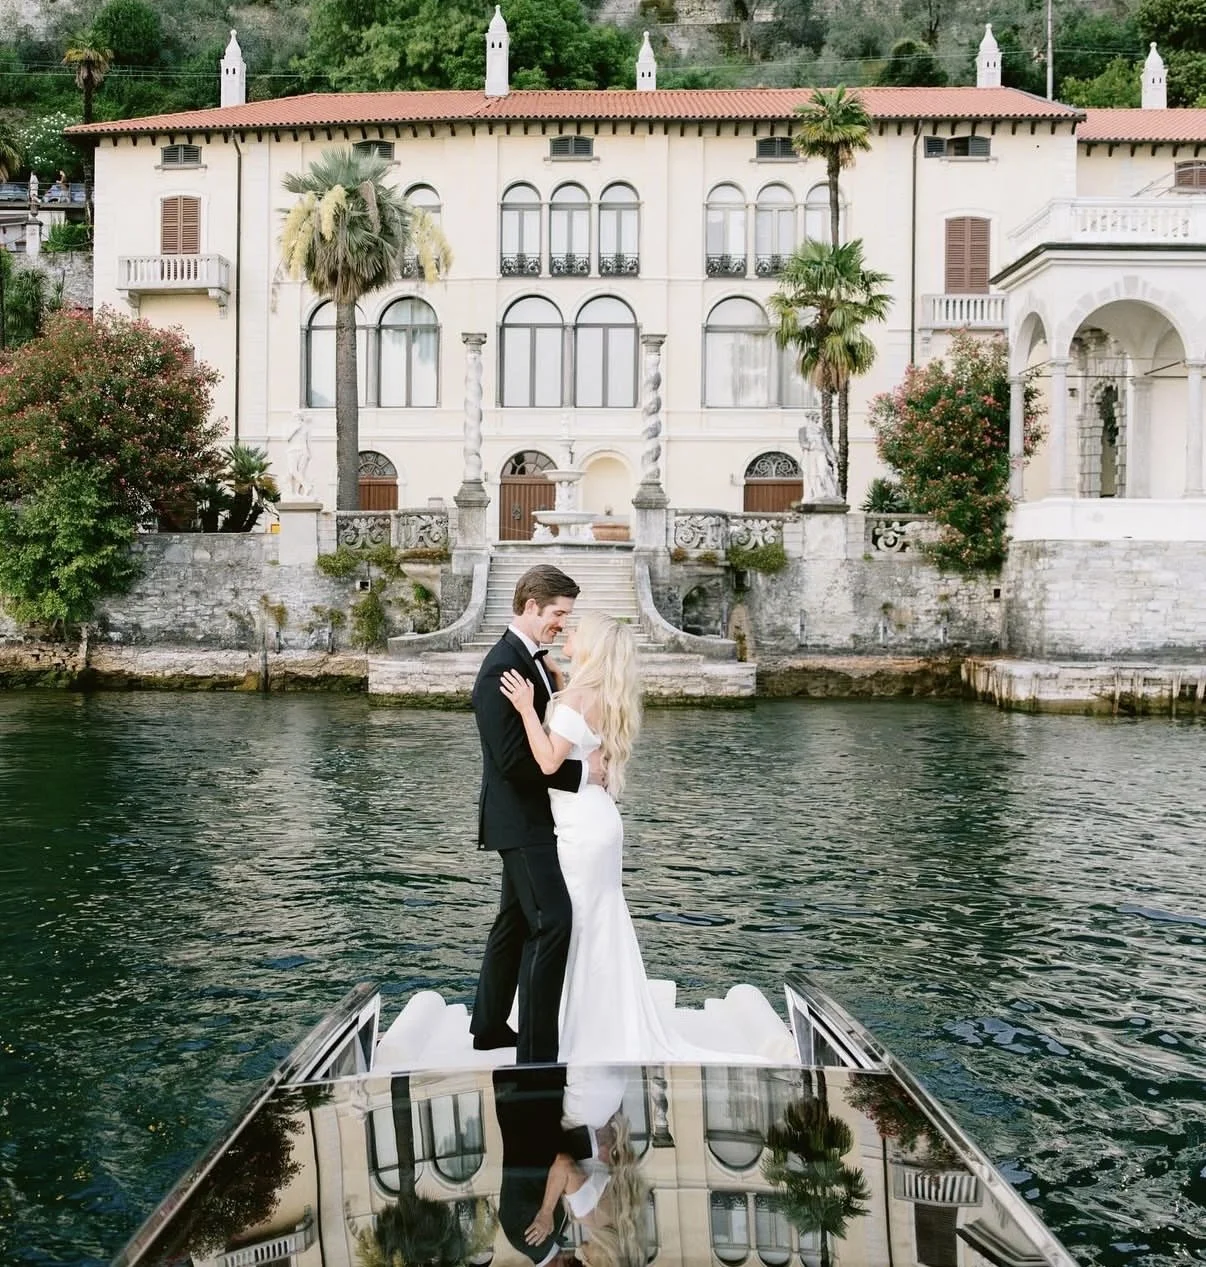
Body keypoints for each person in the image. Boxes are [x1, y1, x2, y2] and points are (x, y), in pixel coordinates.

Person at [499, 611, 699, 1064]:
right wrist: (555, 680)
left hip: (580, 827)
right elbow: (584, 749)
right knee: (600, 918)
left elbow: (549, 762)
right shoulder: (603, 694)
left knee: (576, 923)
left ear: (591, 646)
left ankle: (577, 1027)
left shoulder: (576, 699)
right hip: (599, 818)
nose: (570, 630)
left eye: (578, 629)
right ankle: (601, 1019)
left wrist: (528, 710)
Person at [470, 564, 604, 1065]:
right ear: (530, 607)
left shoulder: (533, 663)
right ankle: (536, 1050)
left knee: (514, 920)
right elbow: (512, 762)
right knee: (553, 922)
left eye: (566, 616)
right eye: (557, 614)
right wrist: (583, 775)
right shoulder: (502, 667)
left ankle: (486, 1027)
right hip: (522, 819)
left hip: (531, 815)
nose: (561, 625)